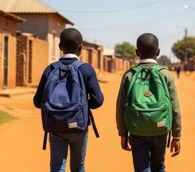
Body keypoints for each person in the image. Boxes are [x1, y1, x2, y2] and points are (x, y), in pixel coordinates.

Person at [33, 28, 104, 172]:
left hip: (56, 126)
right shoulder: (86, 69)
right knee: (78, 167)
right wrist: (80, 107)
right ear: (81, 48)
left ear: (60, 47)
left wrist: (57, 109)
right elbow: (98, 100)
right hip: (79, 126)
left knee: (57, 167)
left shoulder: (50, 69)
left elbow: (37, 101)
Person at [116, 33, 182, 172]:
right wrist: (176, 135)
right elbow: (174, 107)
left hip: (136, 129)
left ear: (137, 52)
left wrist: (123, 132)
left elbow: (121, 107)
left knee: (142, 168)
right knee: (159, 167)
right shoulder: (165, 75)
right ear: (157, 52)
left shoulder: (129, 75)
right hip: (160, 128)